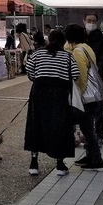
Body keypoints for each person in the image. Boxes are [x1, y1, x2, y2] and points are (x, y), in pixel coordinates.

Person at [25, 29, 78, 177]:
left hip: (39, 93)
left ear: (49, 40)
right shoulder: (67, 56)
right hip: (59, 95)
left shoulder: (38, 53)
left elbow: (28, 70)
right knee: (59, 127)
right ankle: (60, 165)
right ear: (63, 42)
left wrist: (38, 78)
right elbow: (75, 74)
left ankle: (34, 164)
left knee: (36, 125)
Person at [66, 24, 103, 172]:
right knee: (87, 127)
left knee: (88, 129)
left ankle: (97, 161)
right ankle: (90, 157)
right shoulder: (86, 47)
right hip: (93, 96)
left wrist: (79, 95)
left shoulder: (78, 51)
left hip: (86, 97)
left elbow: (81, 76)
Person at [83, 13, 103, 145]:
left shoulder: (101, 39)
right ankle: (84, 134)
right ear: (84, 21)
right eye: (89, 20)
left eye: (94, 21)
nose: (91, 23)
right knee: (82, 106)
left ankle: (100, 134)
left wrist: (97, 71)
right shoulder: (80, 37)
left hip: (96, 77)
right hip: (81, 77)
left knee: (99, 106)